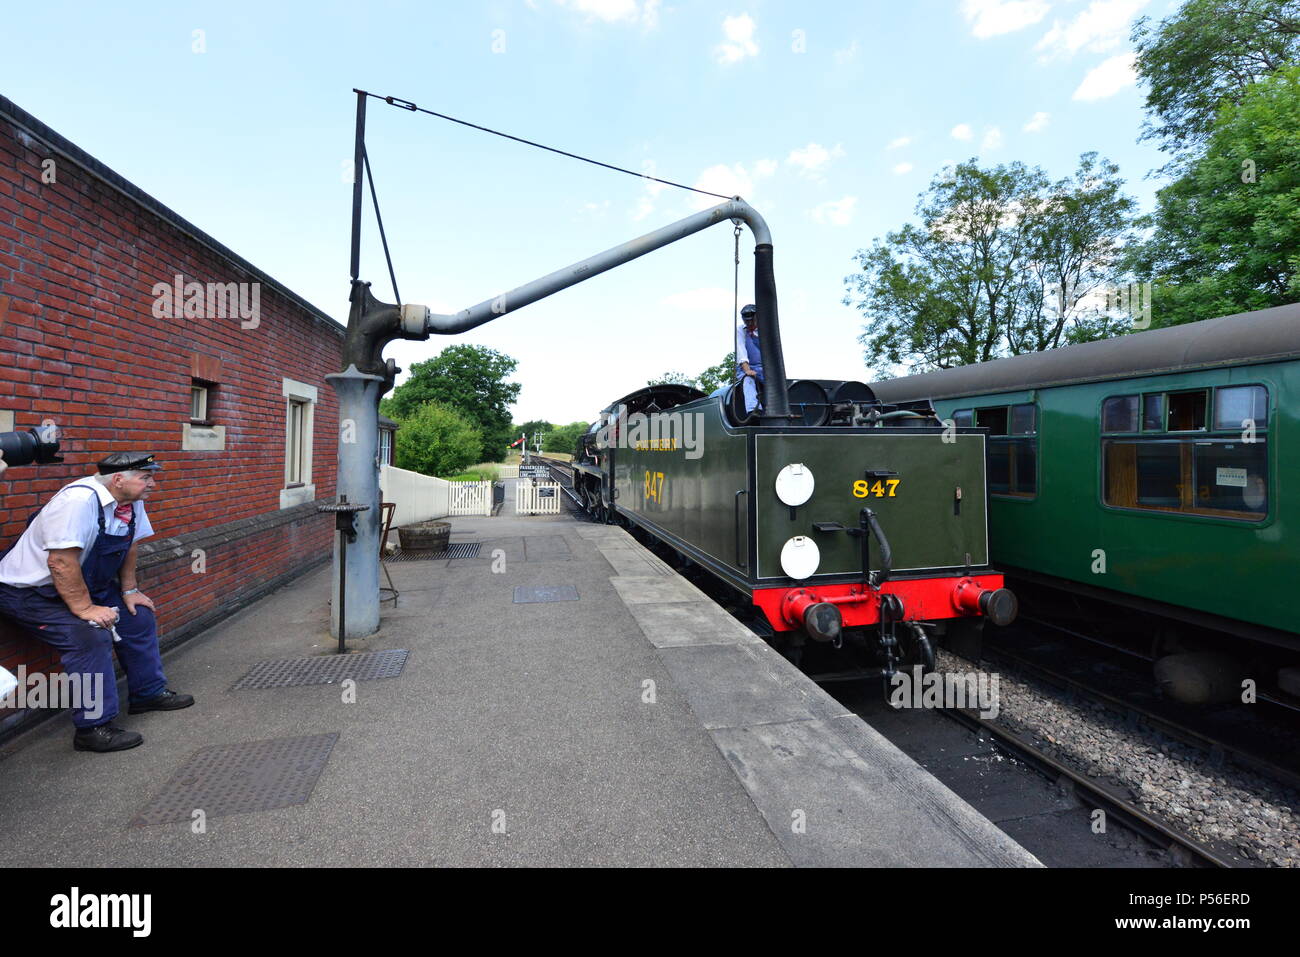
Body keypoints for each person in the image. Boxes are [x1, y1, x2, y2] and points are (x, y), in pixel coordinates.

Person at [0, 452, 194, 752]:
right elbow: (61, 563)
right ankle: (93, 728)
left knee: (137, 616)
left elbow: (129, 545)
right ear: (118, 480)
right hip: (28, 591)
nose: (153, 484)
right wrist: (85, 610)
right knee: (89, 636)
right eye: (146, 478)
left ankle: (147, 693)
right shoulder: (77, 502)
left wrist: (130, 590)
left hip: (82, 584)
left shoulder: (130, 502)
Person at [735, 303, 764, 415]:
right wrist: (747, 370)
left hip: (763, 369)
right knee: (748, 380)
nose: (749, 324)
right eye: (746, 321)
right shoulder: (740, 330)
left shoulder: (764, 330)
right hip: (747, 367)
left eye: (752, 321)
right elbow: (741, 349)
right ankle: (753, 410)